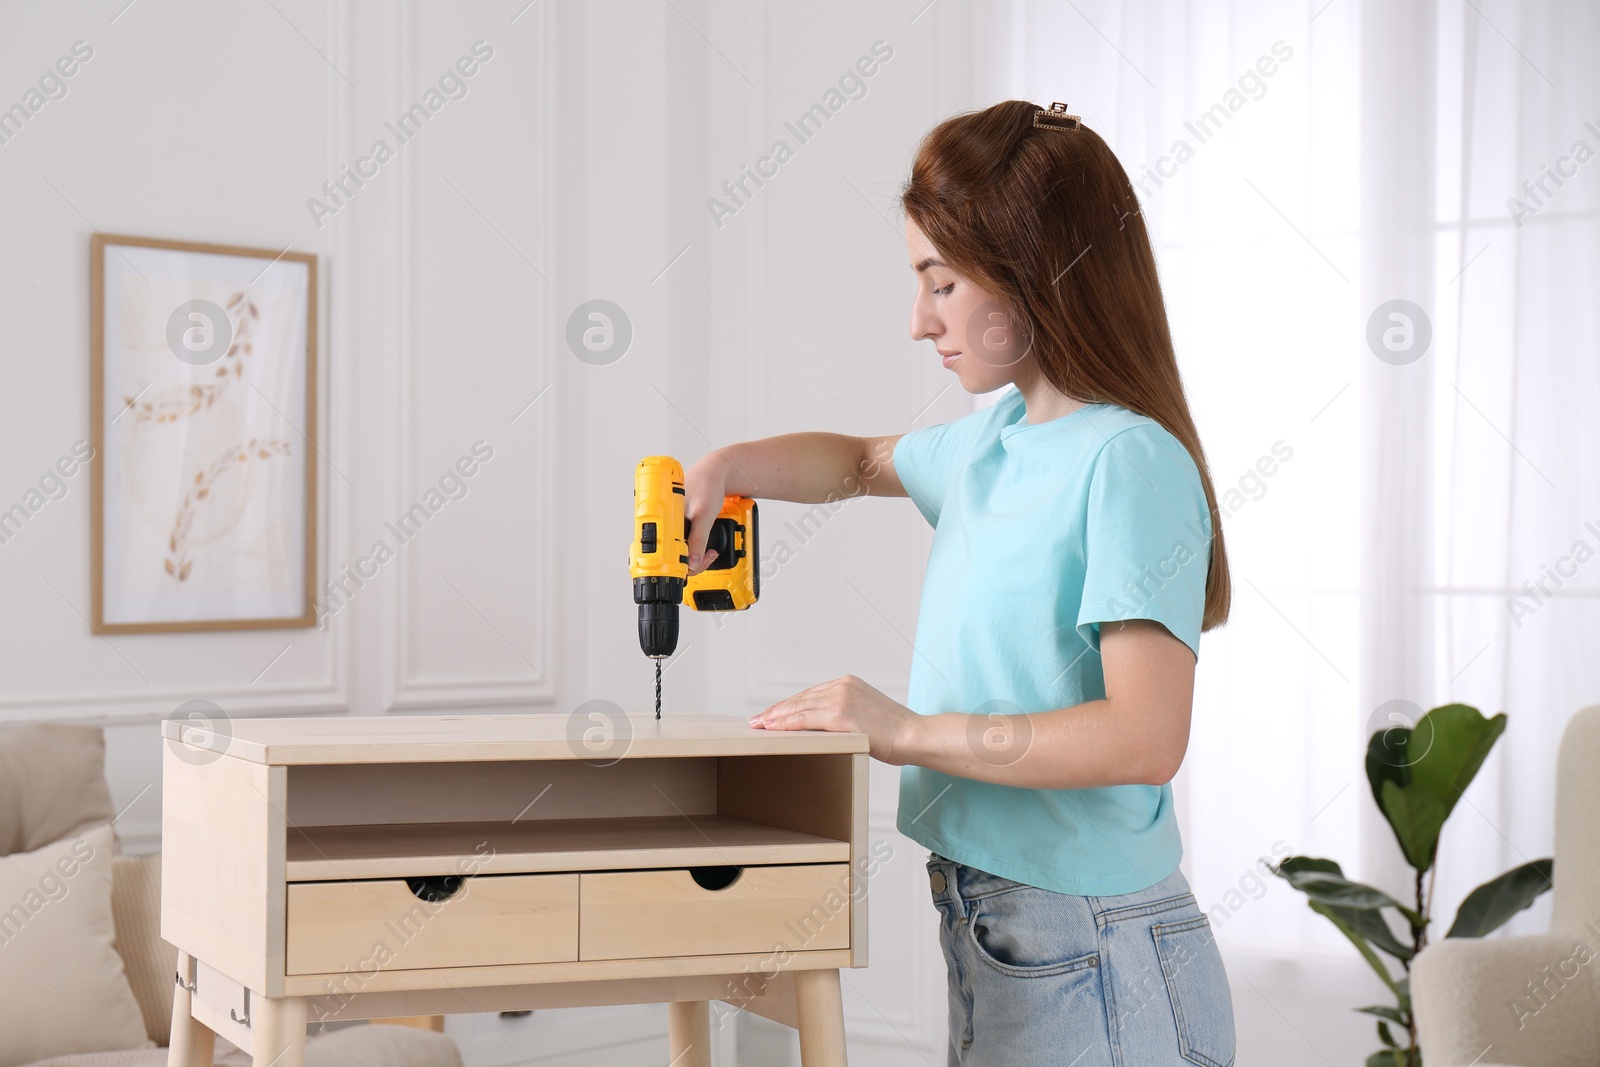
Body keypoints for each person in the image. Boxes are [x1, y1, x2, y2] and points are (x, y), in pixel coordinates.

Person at [683, 100, 1236, 1067]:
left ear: (1036, 274)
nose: (917, 321)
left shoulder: (1127, 462)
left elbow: (1147, 736)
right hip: (1001, 916)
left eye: (941, 282)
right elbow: (855, 460)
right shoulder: (997, 440)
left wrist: (903, 731)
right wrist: (730, 466)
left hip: (1094, 943)